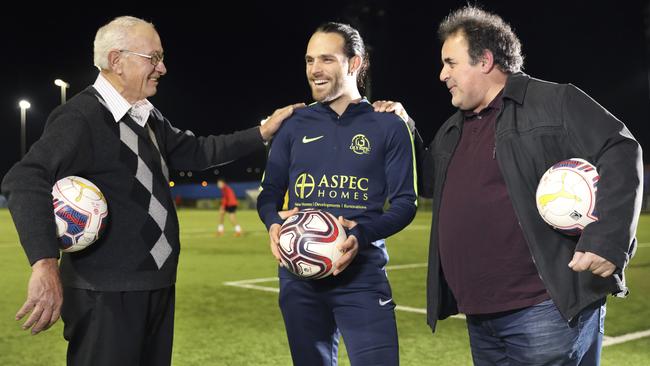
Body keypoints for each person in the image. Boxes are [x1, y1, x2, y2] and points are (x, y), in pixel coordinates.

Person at [1, 16, 302, 366]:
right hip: (106, 294)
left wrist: (263, 131)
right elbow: (25, 179)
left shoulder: (147, 115)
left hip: (155, 285)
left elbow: (201, 151)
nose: (163, 68)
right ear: (117, 60)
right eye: (153, 58)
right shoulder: (80, 117)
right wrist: (44, 263)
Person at [421, 6, 643, 365]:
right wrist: (400, 129)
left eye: (450, 62)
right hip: (480, 315)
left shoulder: (554, 102)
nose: (442, 74)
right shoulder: (451, 130)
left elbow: (619, 148)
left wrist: (608, 238)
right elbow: (430, 183)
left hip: (544, 310)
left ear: (485, 60)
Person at [257, 22, 418, 366]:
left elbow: (406, 204)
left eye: (326, 59)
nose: (314, 70)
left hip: (362, 277)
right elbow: (269, 192)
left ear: (354, 63)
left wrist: (361, 235)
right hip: (299, 277)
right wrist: (272, 222)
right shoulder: (292, 126)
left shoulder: (389, 124)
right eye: (309, 60)